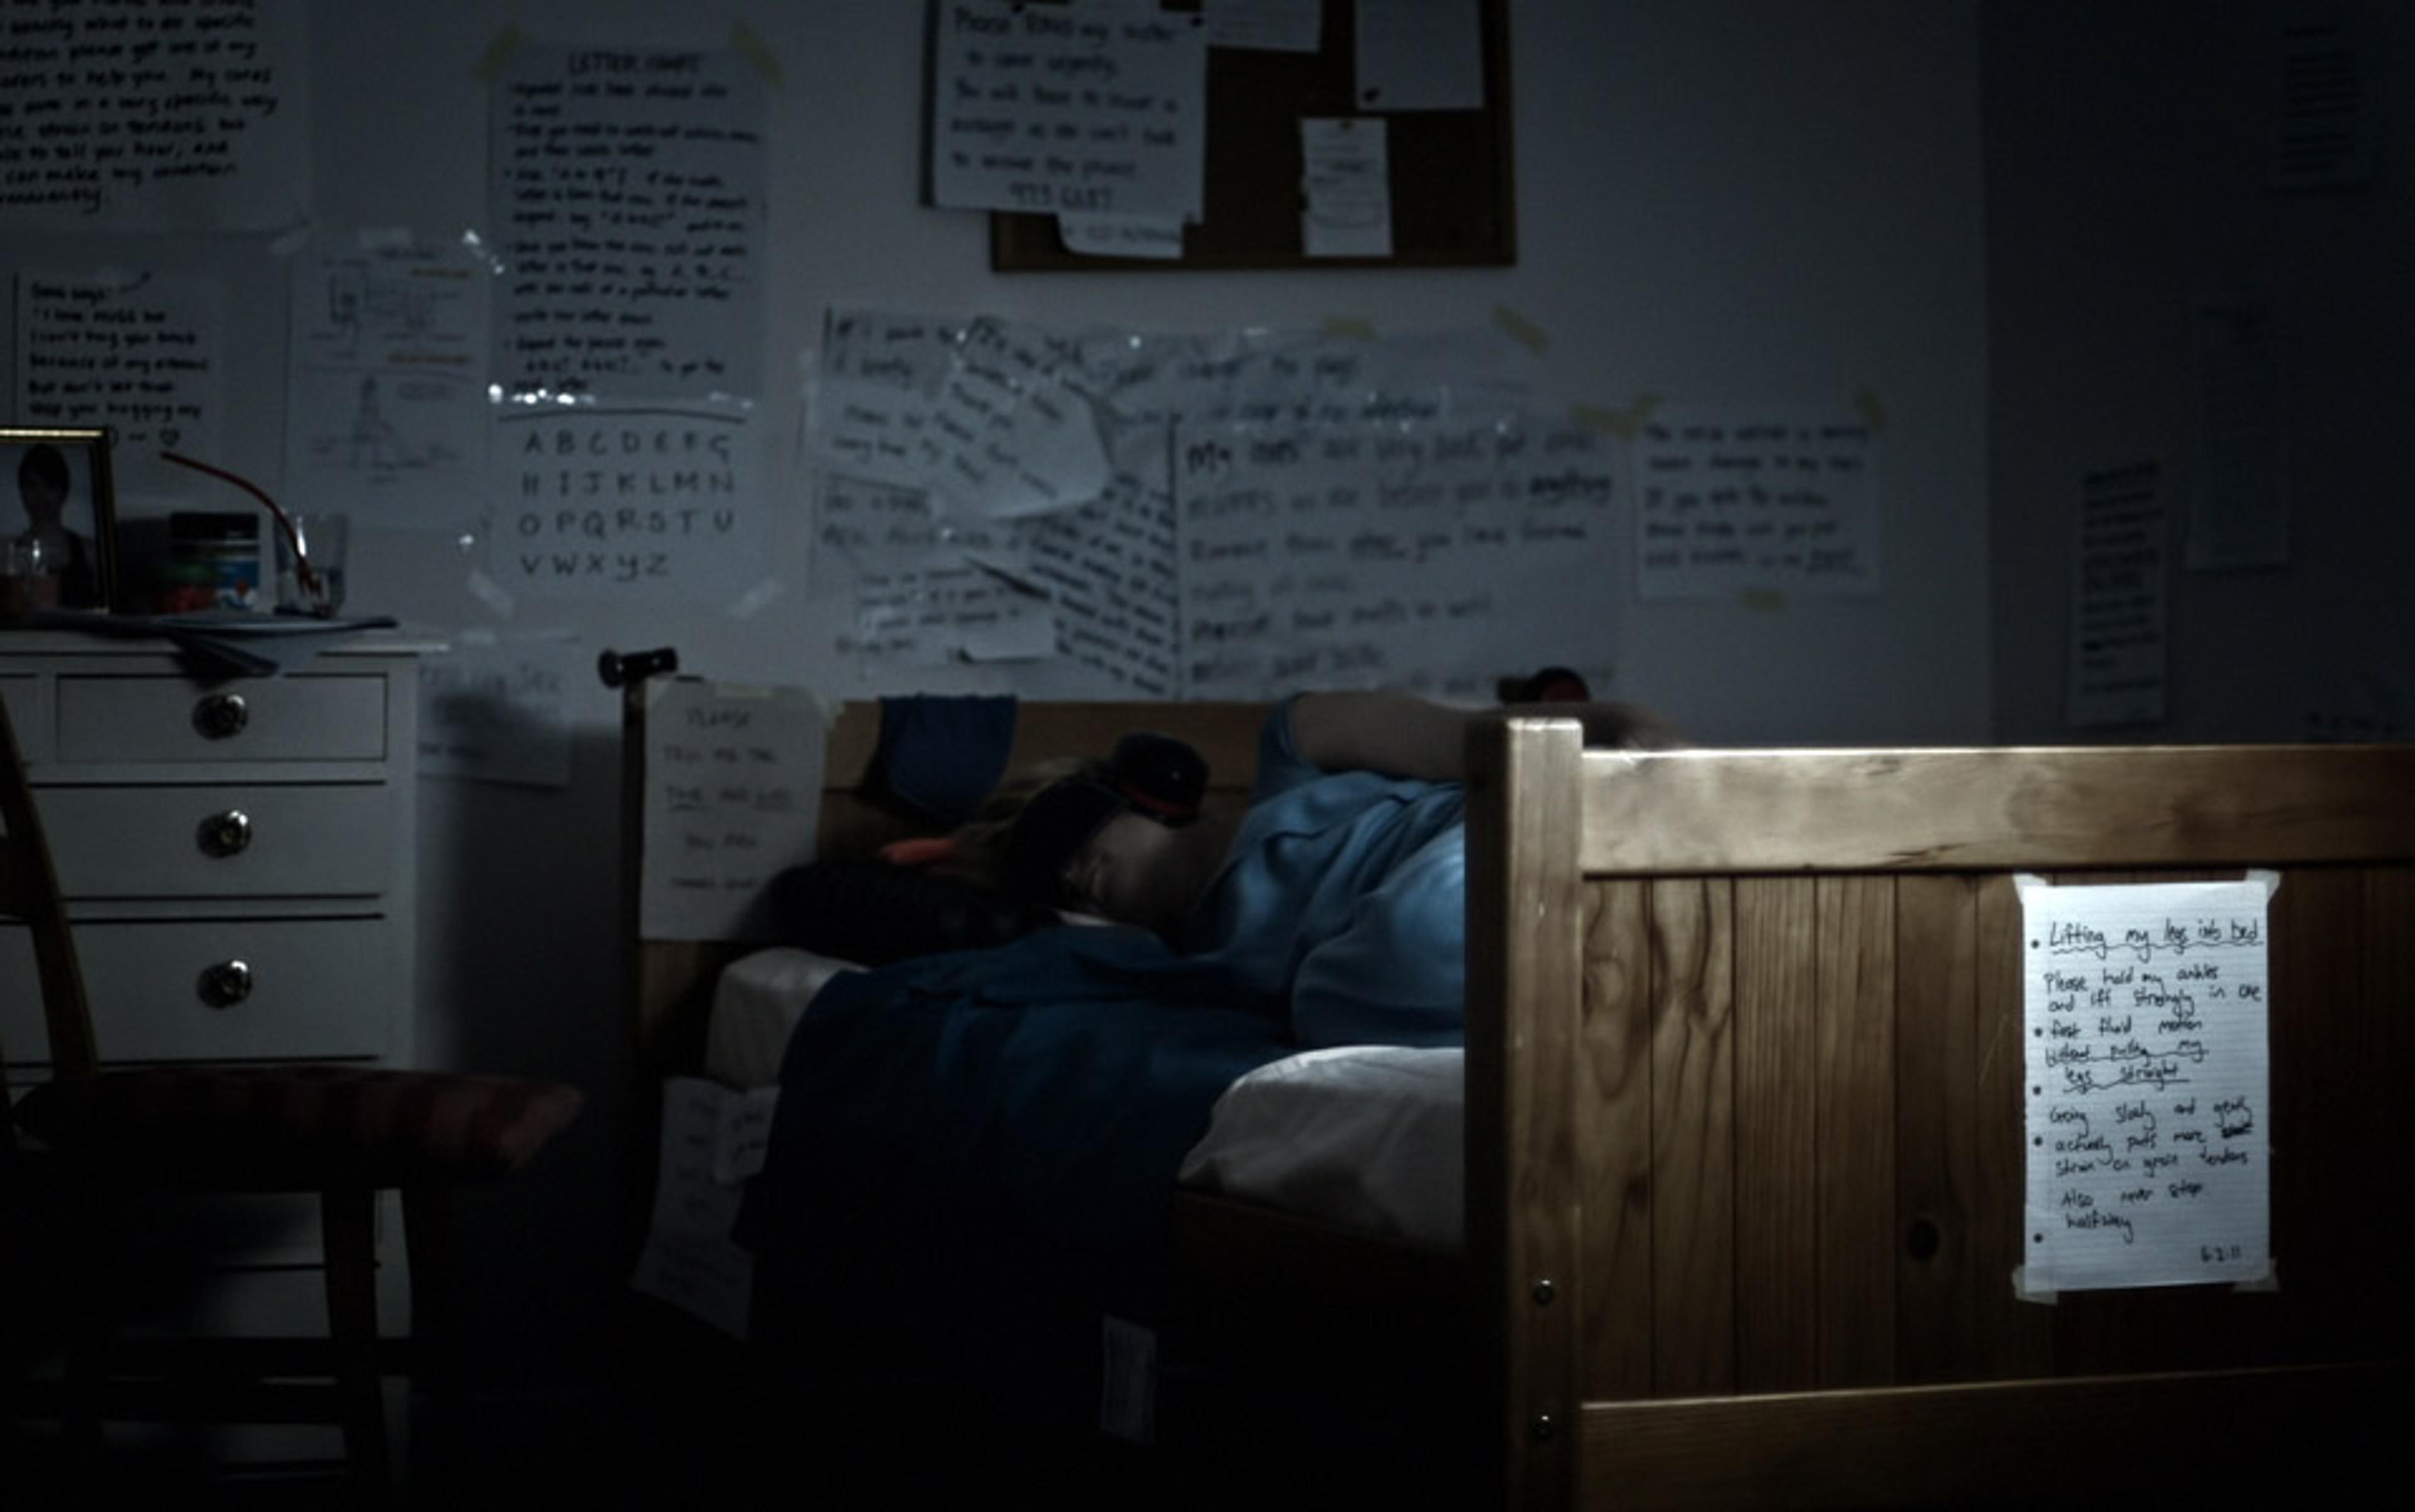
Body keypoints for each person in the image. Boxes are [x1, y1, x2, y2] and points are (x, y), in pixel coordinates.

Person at [949, 689, 1684, 1048]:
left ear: (1141, 787)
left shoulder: (1297, 742)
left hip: (1486, 849)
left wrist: (1650, 759)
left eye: (1062, 834)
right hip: (1412, 979)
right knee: (1333, 1009)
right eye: (1047, 877)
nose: (1072, 871)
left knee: (1409, 930)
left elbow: (1521, 740)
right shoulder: (1188, 973)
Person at [14, 443, 100, 609]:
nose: (41, 496)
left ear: (63, 491)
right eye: (33, 486)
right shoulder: (11, 555)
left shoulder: (89, 552)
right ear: (22, 491)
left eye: (50, 486)